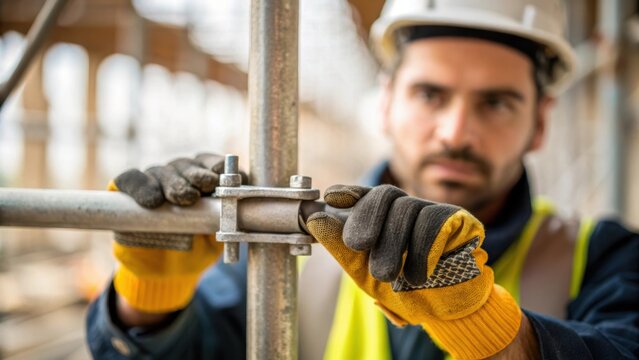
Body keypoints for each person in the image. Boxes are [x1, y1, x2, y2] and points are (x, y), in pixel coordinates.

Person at [86, 0, 639, 359]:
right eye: (430, 95)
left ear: (539, 124)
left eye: (496, 103)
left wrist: (488, 328)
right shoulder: (299, 242)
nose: (455, 131)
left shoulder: (602, 257)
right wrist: (151, 302)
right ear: (386, 105)